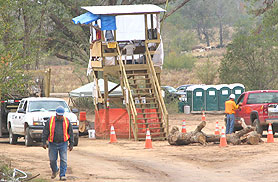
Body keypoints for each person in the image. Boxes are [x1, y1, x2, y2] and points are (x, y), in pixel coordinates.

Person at [42, 106, 74, 181]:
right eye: (58, 115)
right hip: (52, 143)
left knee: (64, 160)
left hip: (63, 143)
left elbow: (71, 133)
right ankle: (55, 170)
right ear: (56, 114)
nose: (60, 117)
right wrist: (44, 142)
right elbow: (45, 131)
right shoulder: (50, 121)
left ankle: (62, 175)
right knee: (52, 160)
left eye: (61, 115)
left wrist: (71, 144)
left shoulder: (66, 121)